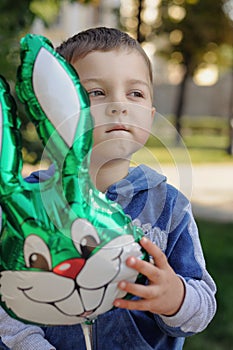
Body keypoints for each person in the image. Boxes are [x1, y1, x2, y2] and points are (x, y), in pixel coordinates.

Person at [0, 27, 216, 350]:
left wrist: (175, 297)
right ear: (56, 107)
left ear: (151, 115)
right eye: (96, 93)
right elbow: (9, 302)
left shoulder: (169, 208)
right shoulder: (30, 208)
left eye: (136, 93)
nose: (118, 105)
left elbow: (203, 307)